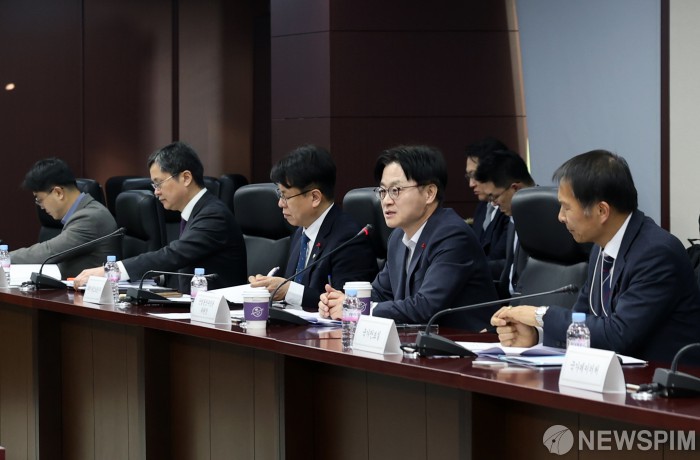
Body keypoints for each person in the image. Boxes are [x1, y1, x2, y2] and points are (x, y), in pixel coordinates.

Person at [490, 150, 700, 363]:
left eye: (566, 207)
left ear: (602, 211)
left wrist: (541, 315)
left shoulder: (656, 253)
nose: (560, 217)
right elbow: (583, 323)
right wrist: (537, 336)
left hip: (664, 378)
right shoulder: (601, 249)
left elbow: (618, 335)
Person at [319, 145, 498, 330]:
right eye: (383, 191)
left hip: (467, 343)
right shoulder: (398, 238)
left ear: (429, 193)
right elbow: (380, 293)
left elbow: (425, 307)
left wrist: (357, 309)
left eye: (396, 190)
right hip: (421, 342)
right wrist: (341, 302)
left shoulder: (453, 235)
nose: (386, 201)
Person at [73, 141, 247, 293]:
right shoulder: (195, 212)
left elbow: (173, 255)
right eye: (154, 185)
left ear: (186, 178)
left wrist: (111, 270)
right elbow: (184, 264)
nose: (156, 192)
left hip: (219, 313)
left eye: (159, 183)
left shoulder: (213, 215)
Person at [248, 145, 377, 311]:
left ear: (315, 197)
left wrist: (288, 290)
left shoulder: (349, 239)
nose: (280, 203)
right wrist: (270, 286)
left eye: (285, 196)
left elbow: (347, 304)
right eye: (280, 194)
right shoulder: (300, 233)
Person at [10, 158, 119, 278]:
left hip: (88, 289)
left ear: (58, 193)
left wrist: (4, 257)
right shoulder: (82, 212)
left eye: (40, 200)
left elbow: (48, 251)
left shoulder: (91, 217)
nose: (41, 207)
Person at [475, 150, 535, 298]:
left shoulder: (547, 216)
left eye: (494, 197)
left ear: (515, 188)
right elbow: (512, 266)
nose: (494, 204)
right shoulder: (513, 215)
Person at [465, 138, 510, 279]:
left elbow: (504, 261)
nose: (471, 184)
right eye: (468, 176)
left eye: (475, 175)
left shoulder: (511, 208)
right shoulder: (482, 206)